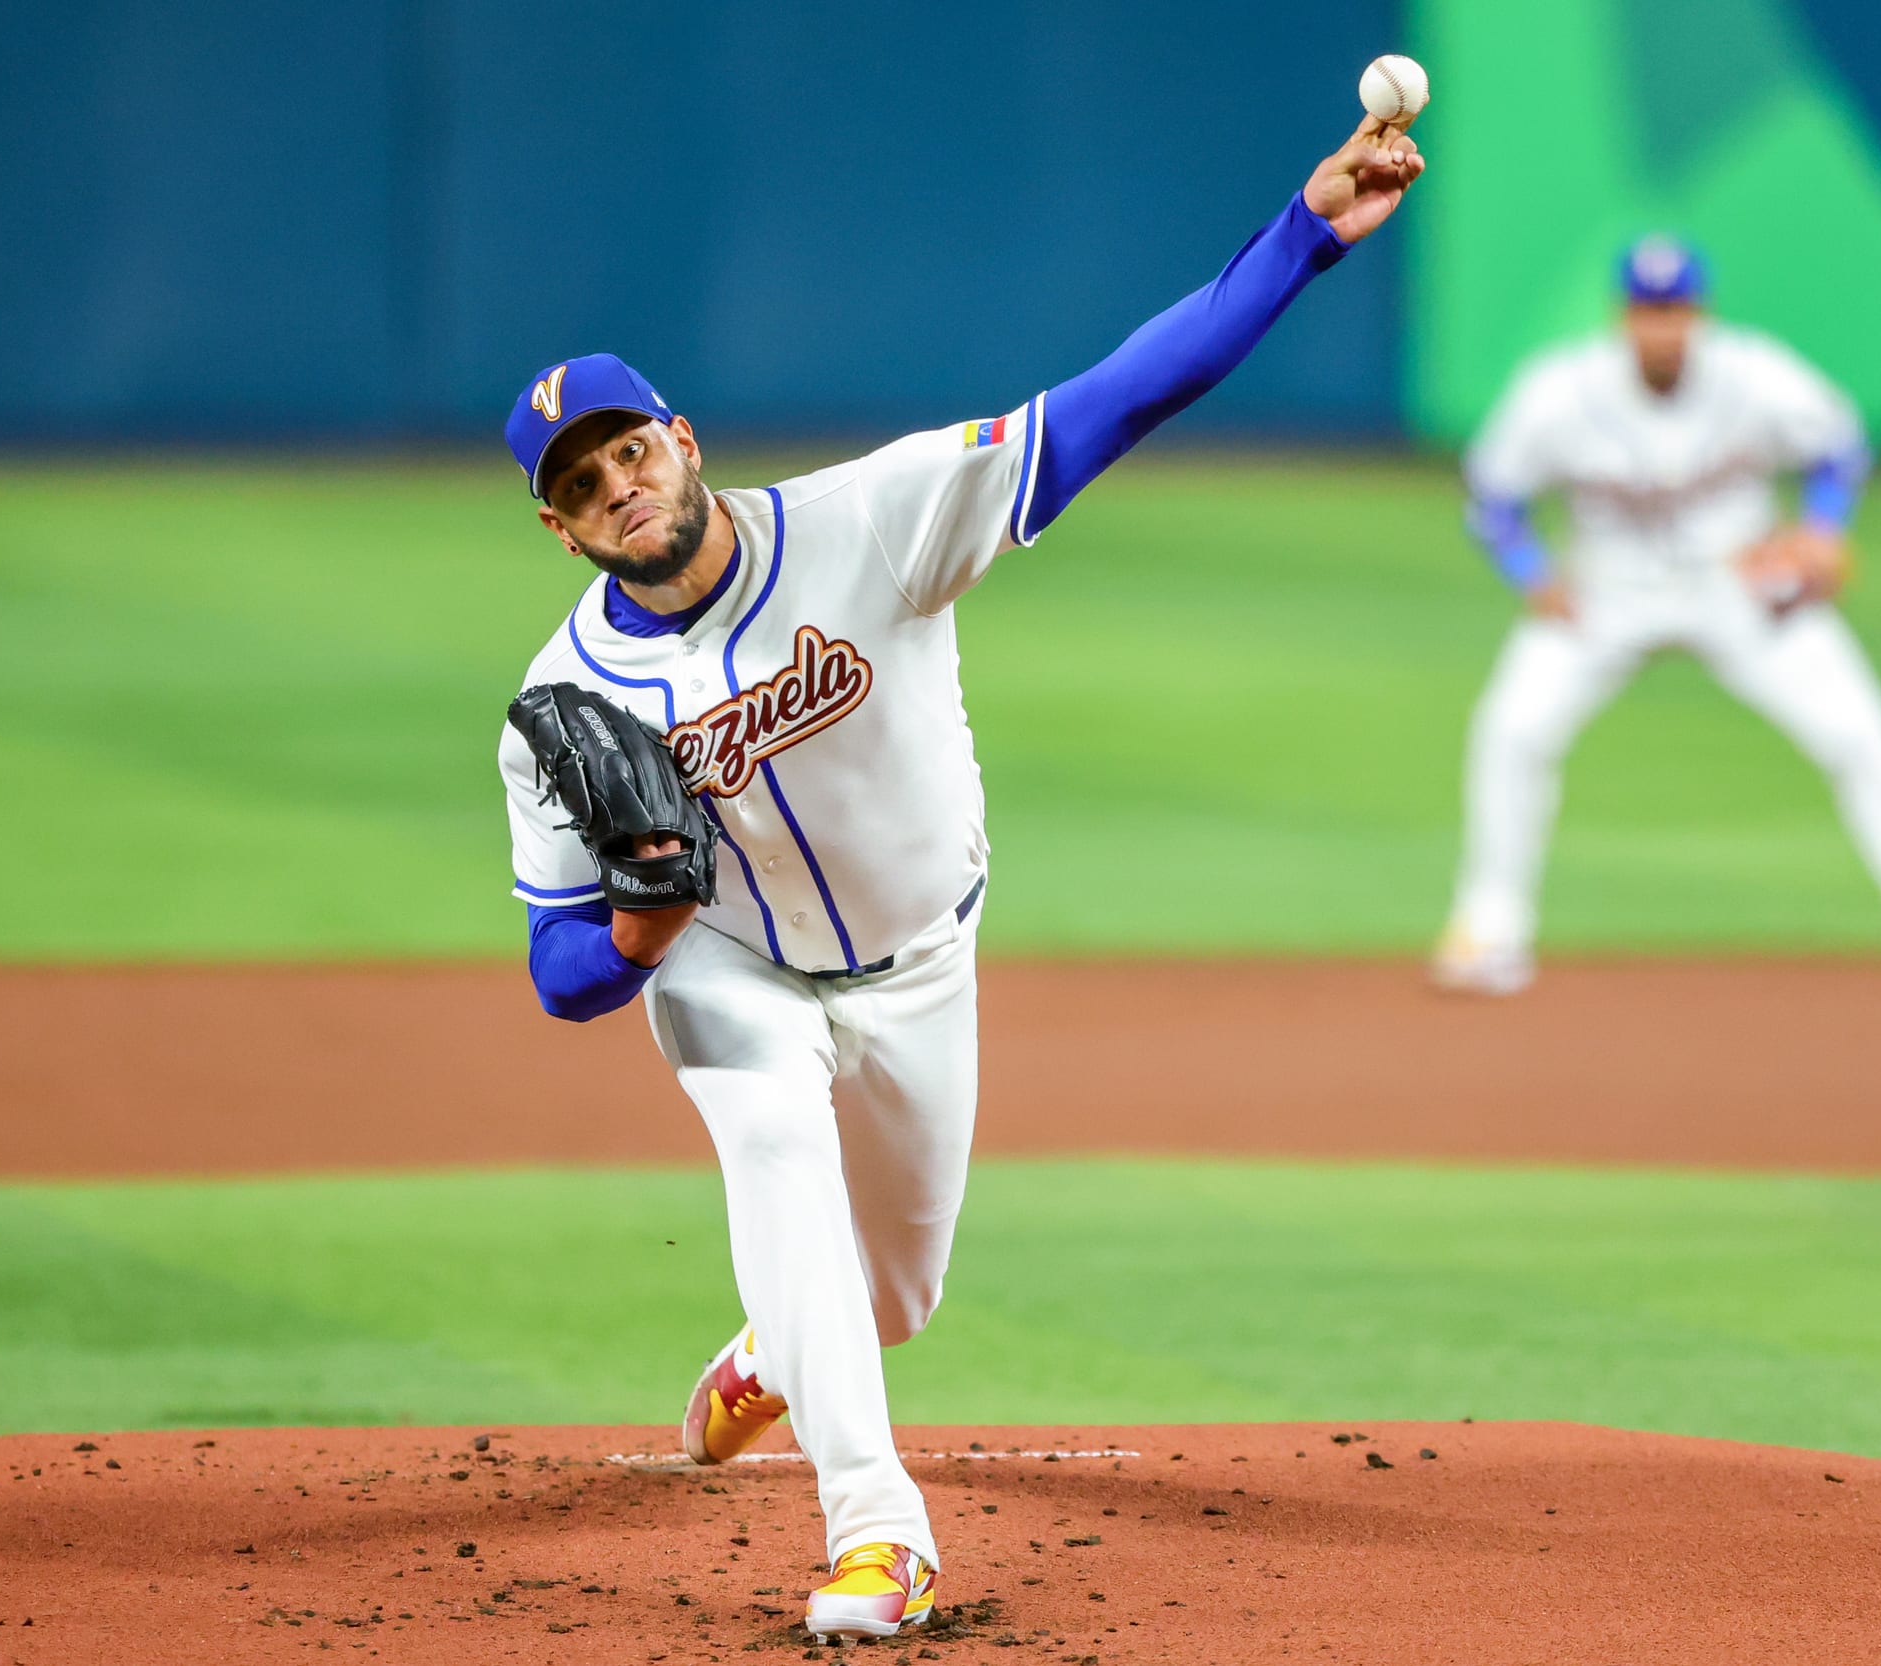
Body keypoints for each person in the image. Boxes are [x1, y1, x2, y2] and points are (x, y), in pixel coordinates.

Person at [495, 118, 1426, 1642]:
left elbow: (1134, 390)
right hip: (732, 967)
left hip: (923, 957)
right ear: (558, 522)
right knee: (777, 1140)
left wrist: (1306, 233)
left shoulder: (871, 518)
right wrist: (647, 925)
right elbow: (558, 975)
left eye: (628, 446)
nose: (617, 484)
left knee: (895, 1295)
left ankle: (773, 1358)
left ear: (682, 437)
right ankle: (878, 1529)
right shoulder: (559, 704)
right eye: (581, 480)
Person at [1432, 237, 1881, 997]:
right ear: (1623, 316)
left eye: (1675, 308)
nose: (1662, 326)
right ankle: (1487, 932)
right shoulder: (1560, 391)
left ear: (1699, 312)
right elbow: (1492, 495)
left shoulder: (1756, 374)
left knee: (1859, 731)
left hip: (1739, 585)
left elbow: (1839, 447)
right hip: (1606, 589)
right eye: (1648, 310)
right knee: (1512, 730)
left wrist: (1821, 529)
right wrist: (1531, 573)